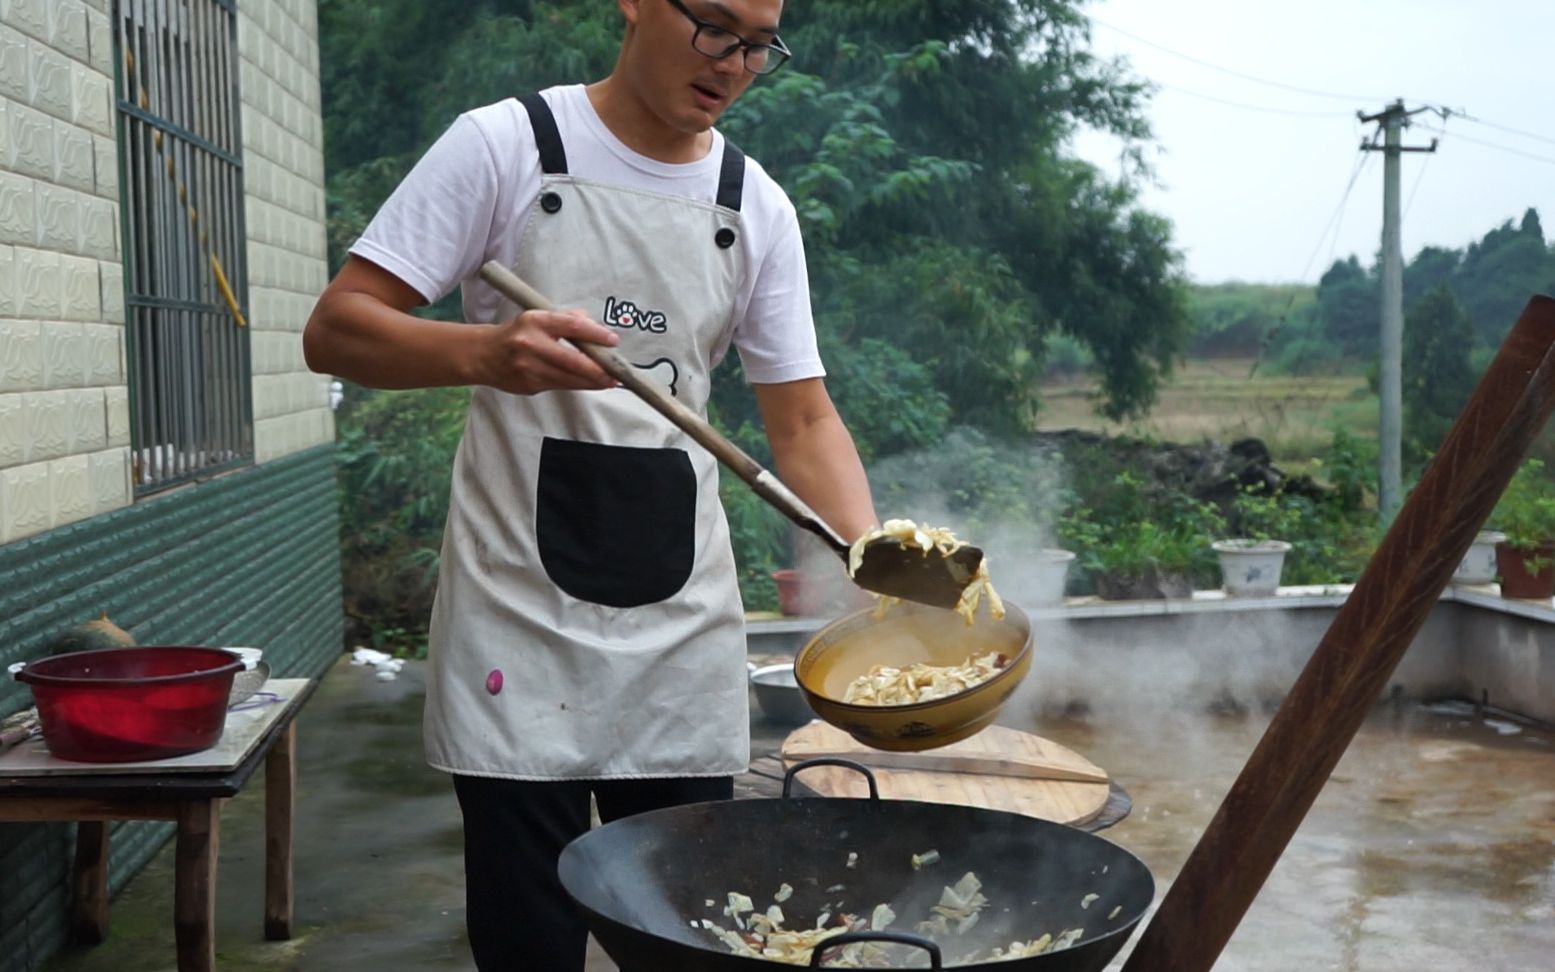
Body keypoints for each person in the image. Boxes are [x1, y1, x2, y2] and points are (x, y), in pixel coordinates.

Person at [302, 0, 878, 968]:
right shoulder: (508, 145)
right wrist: (483, 351)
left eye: (758, 45)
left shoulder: (752, 202)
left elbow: (804, 418)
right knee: (529, 938)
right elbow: (339, 328)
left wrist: (876, 566)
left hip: (679, 624)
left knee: (690, 934)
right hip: (515, 614)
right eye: (715, 29)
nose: (733, 64)